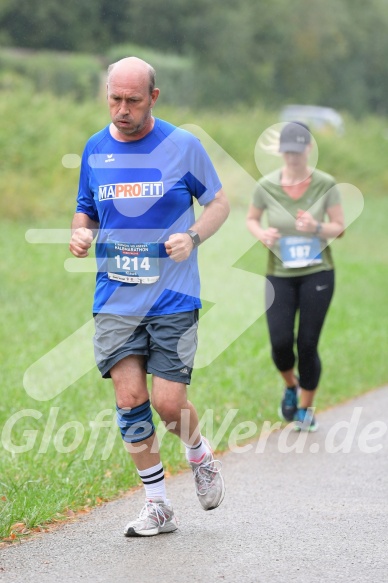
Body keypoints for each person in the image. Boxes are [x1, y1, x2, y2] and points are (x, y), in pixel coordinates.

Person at [69, 56, 229, 536]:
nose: (121, 109)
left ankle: (199, 454)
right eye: (114, 99)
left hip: (173, 299)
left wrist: (194, 237)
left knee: (167, 401)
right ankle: (157, 504)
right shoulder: (96, 148)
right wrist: (80, 234)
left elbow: (218, 202)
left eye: (132, 101)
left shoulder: (183, 146)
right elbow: (85, 210)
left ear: (153, 98)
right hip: (115, 297)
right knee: (130, 398)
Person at [246, 121, 344, 431]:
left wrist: (316, 227)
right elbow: (251, 219)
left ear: (309, 149)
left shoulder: (325, 184)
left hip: (318, 273)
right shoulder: (266, 186)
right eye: (287, 152)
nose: (293, 158)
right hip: (280, 274)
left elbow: (339, 228)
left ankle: (305, 409)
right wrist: (263, 234)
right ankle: (291, 384)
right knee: (280, 341)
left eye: (298, 151)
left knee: (308, 343)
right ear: (281, 152)